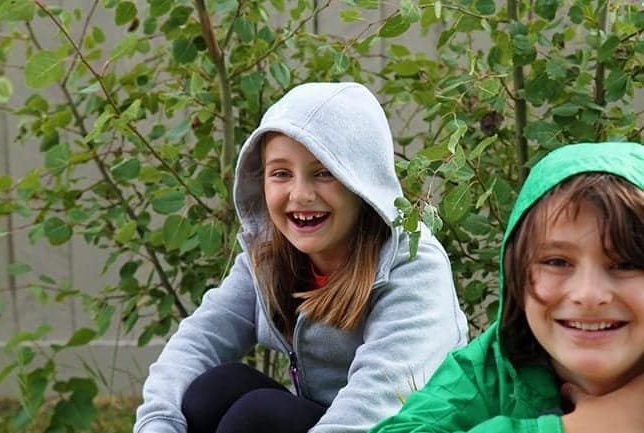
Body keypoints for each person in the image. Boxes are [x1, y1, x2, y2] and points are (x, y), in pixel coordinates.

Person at [133, 82, 469, 433]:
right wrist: (159, 423)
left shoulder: (413, 265)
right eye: (281, 173)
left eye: (324, 173)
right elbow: (200, 339)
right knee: (213, 391)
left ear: (362, 182)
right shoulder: (272, 254)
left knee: (259, 417)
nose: (300, 194)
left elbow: (375, 403)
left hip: (401, 426)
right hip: (329, 420)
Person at [369, 141, 644, 433]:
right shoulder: (490, 369)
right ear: (515, 274)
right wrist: (573, 428)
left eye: (626, 264)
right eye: (557, 262)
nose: (588, 295)